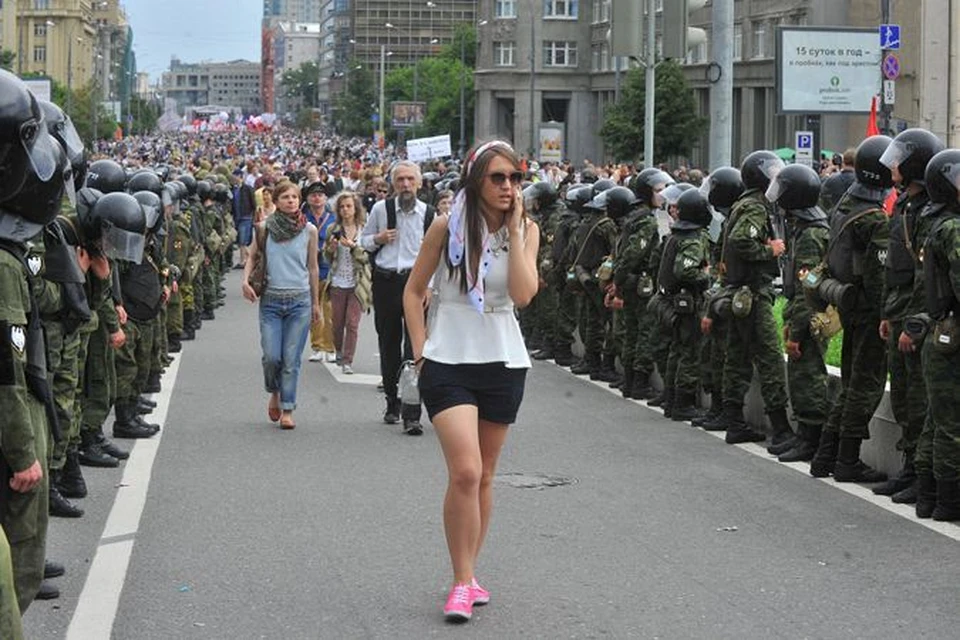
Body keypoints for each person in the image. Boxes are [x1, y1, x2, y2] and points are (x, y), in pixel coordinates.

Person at [402, 140, 539, 622]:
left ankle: (471, 571)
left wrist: (518, 231)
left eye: (515, 178)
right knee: (464, 471)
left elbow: (523, 295)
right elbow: (414, 290)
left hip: (503, 359)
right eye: (498, 178)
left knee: (484, 475)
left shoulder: (527, 230)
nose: (508, 187)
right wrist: (420, 355)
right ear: (476, 180)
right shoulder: (446, 227)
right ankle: (461, 583)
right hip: (448, 360)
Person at [360, 161, 434, 434]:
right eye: (400, 180)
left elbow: (436, 257)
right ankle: (392, 398)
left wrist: (429, 287)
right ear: (393, 184)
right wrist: (378, 238)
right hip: (387, 281)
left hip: (416, 285)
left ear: (419, 183)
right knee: (388, 343)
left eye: (410, 180)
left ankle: (412, 413)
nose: (405, 185)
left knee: (415, 350)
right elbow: (363, 241)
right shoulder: (381, 209)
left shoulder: (429, 214)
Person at [242, 182, 321, 430]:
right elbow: (252, 256)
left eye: (295, 197)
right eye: (285, 197)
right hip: (271, 302)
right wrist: (245, 281)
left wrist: (316, 303)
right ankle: (273, 392)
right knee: (271, 357)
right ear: (275, 201)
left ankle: (288, 407)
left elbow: (313, 267)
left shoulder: (309, 230)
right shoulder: (264, 228)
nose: (291, 201)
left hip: (300, 301)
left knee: (291, 359)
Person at [323, 192, 372, 374]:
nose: (345, 210)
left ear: (356, 208)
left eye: (349, 206)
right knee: (337, 322)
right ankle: (338, 350)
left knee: (352, 323)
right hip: (338, 281)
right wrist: (331, 248)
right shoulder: (333, 229)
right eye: (342, 207)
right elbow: (326, 257)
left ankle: (347, 360)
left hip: (358, 282)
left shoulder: (365, 229)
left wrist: (353, 248)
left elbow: (368, 257)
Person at [302, 182, 336, 363]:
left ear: (325, 198)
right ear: (308, 198)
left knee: (330, 310)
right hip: (309, 268)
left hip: (329, 267)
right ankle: (317, 345)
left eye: (320, 195)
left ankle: (330, 347)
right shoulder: (302, 218)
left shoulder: (333, 217)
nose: (317, 198)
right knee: (313, 308)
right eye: (313, 195)